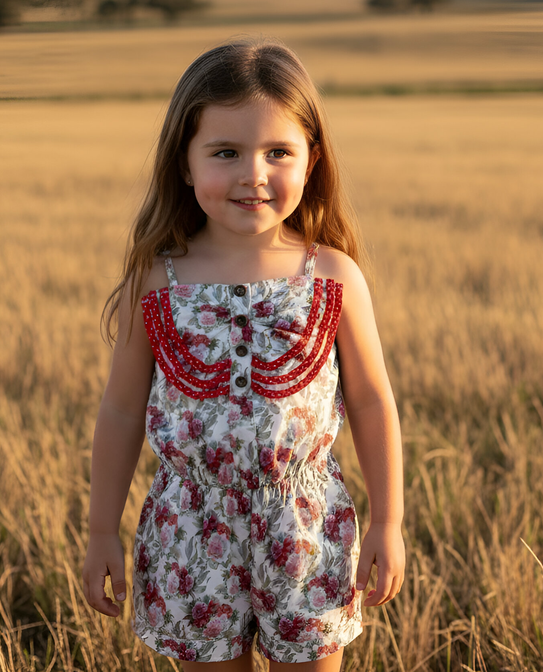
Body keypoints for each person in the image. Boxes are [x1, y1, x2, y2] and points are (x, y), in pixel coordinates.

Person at [82, 39, 405, 672]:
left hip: (305, 533)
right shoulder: (155, 281)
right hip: (189, 532)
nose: (253, 174)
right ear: (184, 162)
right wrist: (100, 532)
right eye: (225, 152)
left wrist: (389, 521)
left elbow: (371, 402)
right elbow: (120, 412)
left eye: (278, 152)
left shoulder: (333, 276)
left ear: (312, 161)